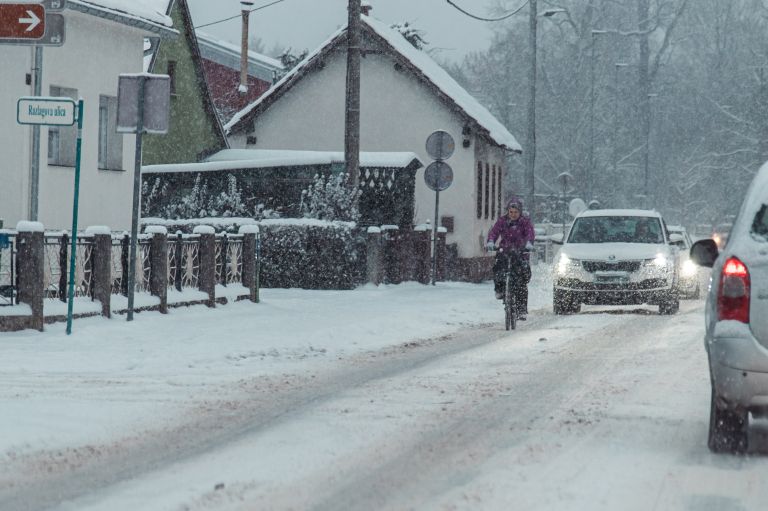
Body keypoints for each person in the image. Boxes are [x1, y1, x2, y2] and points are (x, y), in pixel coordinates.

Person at [486, 197, 535, 320]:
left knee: (522, 278)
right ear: (508, 211)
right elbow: (494, 232)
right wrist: (491, 241)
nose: (513, 215)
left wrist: (529, 244)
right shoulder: (502, 221)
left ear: (520, 212)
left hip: (520, 252)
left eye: (516, 212)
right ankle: (500, 290)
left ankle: (522, 309)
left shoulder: (525, 222)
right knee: (498, 268)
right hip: (505, 250)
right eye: (511, 212)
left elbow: (530, 233)